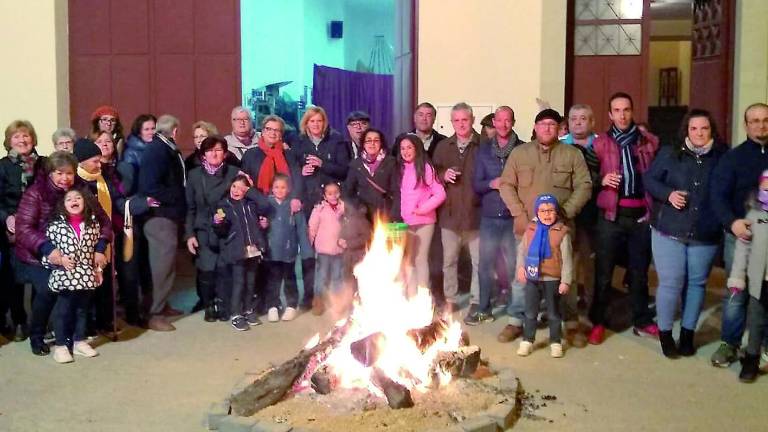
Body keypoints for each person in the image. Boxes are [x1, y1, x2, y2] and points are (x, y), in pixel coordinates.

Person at [498, 109, 591, 345]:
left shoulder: (572, 155)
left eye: (552, 124)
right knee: (522, 276)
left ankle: (569, 323)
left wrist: (566, 212)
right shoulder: (520, 154)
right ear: (535, 127)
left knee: (565, 276)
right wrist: (519, 213)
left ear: (560, 129)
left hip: (560, 232)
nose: (547, 128)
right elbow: (506, 185)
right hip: (527, 229)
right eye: (542, 124)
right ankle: (516, 321)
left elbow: (584, 186)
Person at [644, 109, 726, 358]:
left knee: (697, 284)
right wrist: (668, 194)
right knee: (670, 282)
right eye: (694, 128)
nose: (699, 133)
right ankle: (666, 334)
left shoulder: (722, 156)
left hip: (705, 231)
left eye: (704, 128)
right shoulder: (671, 153)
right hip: (670, 228)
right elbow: (649, 180)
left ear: (711, 130)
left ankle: (688, 335)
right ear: (686, 131)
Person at [14, 151, 112, 355]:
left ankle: (74, 338)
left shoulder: (81, 191)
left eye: (69, 173)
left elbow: (104, 222)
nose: (65, 178)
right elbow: (23, 229)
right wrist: (48, 250)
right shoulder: (35, 193)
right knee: (49, 289)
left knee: (81, 291)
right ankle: (37, 335)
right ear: (50, 173)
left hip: (76, 254)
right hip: (37, 256)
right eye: (59, 173)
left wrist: (100, 249)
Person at [588, 92, 660, 345]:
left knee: (639, 273)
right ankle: (598, 321)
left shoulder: (649, 141)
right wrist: (601, 180)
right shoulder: (599, 144)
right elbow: (586, 177)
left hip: (640, 215)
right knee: (604, 273)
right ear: (610, 114)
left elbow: (659, 176)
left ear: (632, 111)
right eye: (616, 110)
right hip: (610, 216)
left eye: (626, 110)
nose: (622, 115)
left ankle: (642, 321)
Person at [709, 102, 768, 367]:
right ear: (746, 125)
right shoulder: (732, 158)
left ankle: (762, 345)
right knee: (737, 292)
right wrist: (731, 223)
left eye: (765, 120)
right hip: (741, 236)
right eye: (754, 121)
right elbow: (718, 196)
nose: (760, 125)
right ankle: (729, 343)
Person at [469, 106, 524, 326]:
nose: (503, 124)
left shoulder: (522, 149)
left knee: (513, 266)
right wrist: (491, 183)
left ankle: (515, 309)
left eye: (507, 120)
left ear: (513, 122)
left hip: (513, 216)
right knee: (485, 265)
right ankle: (484, 309)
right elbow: (476, 184)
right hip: (490, 217)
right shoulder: (483, 150)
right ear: (494, 121)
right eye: (499, 120)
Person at [290, 108, 348, 309]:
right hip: (309, 205)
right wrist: (301, 171)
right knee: (308, 254)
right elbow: (291, 171)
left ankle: (336, 297)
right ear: (305, 124)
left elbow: (344, 170)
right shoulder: (298, 143)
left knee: (332, 254)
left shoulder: (336, 140)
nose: (315, 124)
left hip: (331, 204)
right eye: (311, 121)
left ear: (324, 123)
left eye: (319, 121)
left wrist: (324, 164)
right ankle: (311, 296)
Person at [432, 102, 483, 313]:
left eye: (465, 119)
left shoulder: (485, 145)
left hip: (476, 215)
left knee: (479, 264)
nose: (461, 124)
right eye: (457, 120)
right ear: (451, 122)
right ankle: (451, 299)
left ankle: (477, 301)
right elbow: (433, 173)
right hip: (450, 215)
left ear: (472, 120)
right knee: (449, 261)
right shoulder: (443, 146)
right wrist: (443, 175)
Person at [138, 114, 187, 332]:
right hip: (160, 217)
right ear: (174, 130)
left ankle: (162, 305)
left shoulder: (165, 147)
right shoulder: (157, 150)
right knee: (161, 267)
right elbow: (150, 185)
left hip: (169, 215)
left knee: (166, 265)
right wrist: (177, 197)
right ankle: (155, 314)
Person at [42, 188, 103, 363]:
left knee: (82, 310)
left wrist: (98, 270)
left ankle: (79, 341)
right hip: (65, 276)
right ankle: (61, 345)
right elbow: (48, 253)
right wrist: (60, 260)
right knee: (63, 310)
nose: (74, 201)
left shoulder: (93, 224)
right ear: (63, 204)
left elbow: (95, 250)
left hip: (85, 276)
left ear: (85, 202)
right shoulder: (55, 226)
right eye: (69, 199)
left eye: (78, 198)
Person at [0, 120, 47, 341]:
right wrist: (6, 216)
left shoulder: (44, 164)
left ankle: (39, 320)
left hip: (40, 226)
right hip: (13, 227)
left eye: (26, 135)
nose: (22, 140)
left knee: (41, 275)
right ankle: (19, 321)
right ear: (9, 141)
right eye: (16, 136)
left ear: (33, 139)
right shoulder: (2, 166)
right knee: (16, 280)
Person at [185, 136, 240, 321]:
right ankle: (209, 304)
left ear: (225, 153)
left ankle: (224, 304)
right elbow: (190, 208)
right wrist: (190, 234)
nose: (214, 154)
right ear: (203, 155)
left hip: (227, 228)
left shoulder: (235, 173)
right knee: (207, 270)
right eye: (209, 150)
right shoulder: (194, 175)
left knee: (225, 270)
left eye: (218, 150)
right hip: (203, 229)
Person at [516, 194, 572, 358]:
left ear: (556, 212)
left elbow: (567, 259)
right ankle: (527, 339)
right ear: (537, 212)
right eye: (543, 211)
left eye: (550, 210)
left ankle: (556, 341)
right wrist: (520, 268)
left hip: (552, 279)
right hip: (533, 278)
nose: (547, 214)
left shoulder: (562, 232)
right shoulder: (531, 229)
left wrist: (566, 280)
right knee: (530, 311)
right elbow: (522, 251)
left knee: (554, 312)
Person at [559, 104, 600, 324]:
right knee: (568, 262)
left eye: (583, 118)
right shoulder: (560, 144)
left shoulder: (602, 145)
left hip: (593, 214)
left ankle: (591, 307)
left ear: (591, 122)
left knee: (590, 264)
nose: (577, 122)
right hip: (566, 213)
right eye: (573, 119)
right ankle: (569, 310)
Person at [391, 134, 446, 296]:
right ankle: (411, 295)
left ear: (416, 148)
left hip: (424, 221)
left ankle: (423, 297)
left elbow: (440, 193)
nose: (406, 151)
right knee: (409, 260)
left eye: (409, 147)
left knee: (420, 259)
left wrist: (423, 209)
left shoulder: (425, 168)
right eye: (402, 148)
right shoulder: (401, 168)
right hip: (407, 221)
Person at [213, 174, 269, 331]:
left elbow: (265, 205)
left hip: (253, 249)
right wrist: (218, 222)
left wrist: (251, 189)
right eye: (234, 186)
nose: (237, 190)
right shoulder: (224, 205)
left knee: (251, 281)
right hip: (237, 249)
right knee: (239, 282)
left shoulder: (250, 204)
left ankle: (248, 309)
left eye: (241, 188)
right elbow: (221, 230)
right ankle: (236, 313)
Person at [728, 170, 768, 382]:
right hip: (759, 283)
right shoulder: (753, 217)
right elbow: (742, 250)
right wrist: (737, 276)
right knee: (756, 321)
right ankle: (751, 361)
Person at [263, 174, 311, 322]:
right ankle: (273, 305)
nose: (279, 190)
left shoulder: (294, 205)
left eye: (283, 187)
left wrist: (305, 250)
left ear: (288, 189)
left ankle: (291, 305)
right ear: (271, 188)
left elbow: (302, 228)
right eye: (276, 187)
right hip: (271, 251)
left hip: (289, 251)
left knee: (289, 278)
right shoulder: (266, 204)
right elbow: (259, 223)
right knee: (273, 279)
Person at [343, 128, 399, 221]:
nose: (372, 144)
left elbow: (397, 192)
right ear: (363, 144)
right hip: (363, 217)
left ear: (381, 143)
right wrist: (359, 207)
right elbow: (348, 192)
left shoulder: (391, 162)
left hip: (386, 215)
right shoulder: (356, 164)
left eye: (376, 140)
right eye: (368, 141)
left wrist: (394, 215)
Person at [308, 183, 345, 315]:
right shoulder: (319, 209)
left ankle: (337, 302)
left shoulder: (343, 208)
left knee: (337, 277)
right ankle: (318, 303)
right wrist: (310, 244)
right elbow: (312, 228)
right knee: (321, 277)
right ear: (324, 196)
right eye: (329, 193)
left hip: (339, 250)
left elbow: (347, 226)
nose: (333, 195)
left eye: (336, 192)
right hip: (323, 250)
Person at [121, 114, 157, 195]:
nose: (151, 132)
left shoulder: (159, 148)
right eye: (146, 129)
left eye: (153, 129)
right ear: (139, 133)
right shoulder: (131, 153)